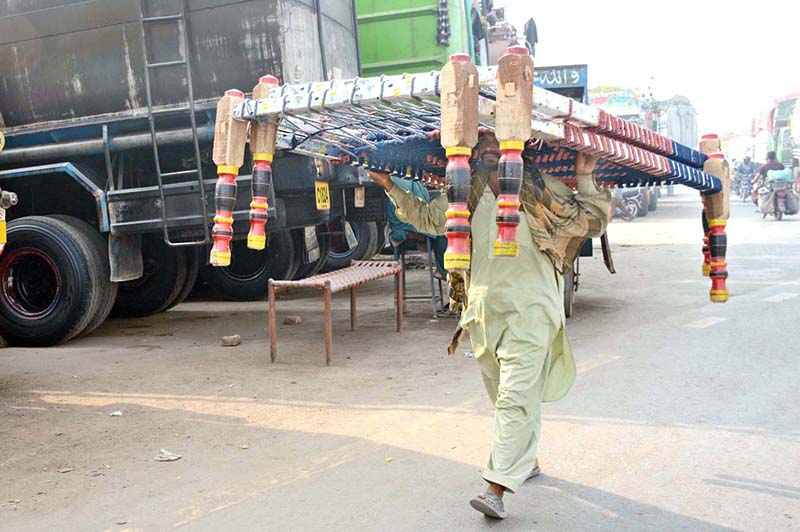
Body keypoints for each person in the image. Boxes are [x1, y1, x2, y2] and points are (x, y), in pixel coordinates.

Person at [368, 132, 610, 519]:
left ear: (519, 145)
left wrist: (584, 177)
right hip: (482, 313)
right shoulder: (466, 194)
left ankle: (496, 487)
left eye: (496, 137)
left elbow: (591, 220)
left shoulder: (541, 189)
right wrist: (390, 186)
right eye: (479, 141)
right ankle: (524, 460)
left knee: (515, 396)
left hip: (532, 311)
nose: (487, 146)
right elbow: (430, 219)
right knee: (505, 398)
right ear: (471, 153)